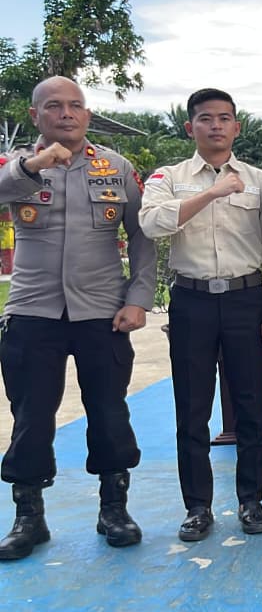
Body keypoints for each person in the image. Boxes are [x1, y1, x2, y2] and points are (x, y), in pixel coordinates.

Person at [0, 76, 156, 560]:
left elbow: (143, 235)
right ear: (35, 115)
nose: (66, 113)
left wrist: (139, 298)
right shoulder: (15, 166)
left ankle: (114, 510)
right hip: (33, 310)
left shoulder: (117, 167)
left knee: (109, 412)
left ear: (87, 115)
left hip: (101, 313)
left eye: (75, 105)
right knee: (31, 417)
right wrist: (32, 166)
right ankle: (29, 518)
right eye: (54, 106)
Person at [139, 88, 262, 541]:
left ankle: (251, 501)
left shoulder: (259, 181)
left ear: (236, 127)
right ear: (190, 127)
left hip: (246, 300)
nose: (216, 126)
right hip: (192, 302)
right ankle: (198, 507)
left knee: (250, 406)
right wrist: (211, 193)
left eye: (224, 118)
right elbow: (151, 223)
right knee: (191, 409)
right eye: (206, 119)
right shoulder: (170, 177)